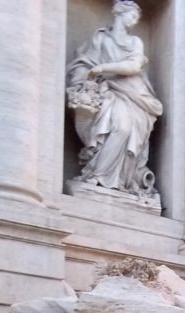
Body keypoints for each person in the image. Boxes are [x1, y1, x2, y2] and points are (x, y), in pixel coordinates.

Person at [66, 0, 163, 197]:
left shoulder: (135, 42)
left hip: (133, 92)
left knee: (124, 129)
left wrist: (103, 68)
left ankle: (116, 180)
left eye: (137, 18)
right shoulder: (100, 39)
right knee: (117, 128)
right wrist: (85, 76)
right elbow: (83, 63)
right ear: (120, 12)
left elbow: (134, 67)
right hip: (106, 91)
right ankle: (97, 176)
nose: (135, 21)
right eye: (133, 15)